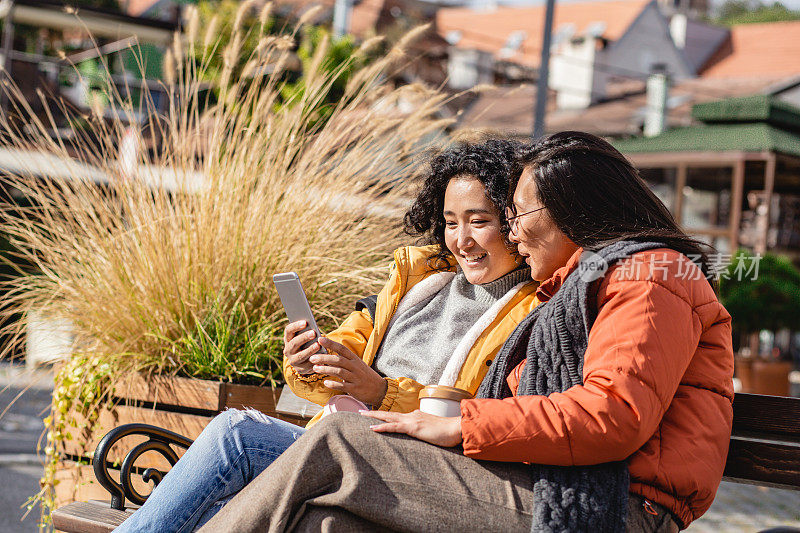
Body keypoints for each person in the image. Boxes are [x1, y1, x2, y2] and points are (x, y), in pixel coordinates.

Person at [196, 131, 735, 533]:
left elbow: (611, 416)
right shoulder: (578, 287)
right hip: (554, 483)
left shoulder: (650, 276)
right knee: (325, 524)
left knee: (343, 438)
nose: (513, 230)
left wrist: (460, 424)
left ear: (574, 210)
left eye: (520, 214)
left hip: (617, 508)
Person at [114, 139, 540, 533]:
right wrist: (307, 360)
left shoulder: (531, 310)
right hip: (334, 444)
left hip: (407, 469)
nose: (461, 240)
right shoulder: (415, 285)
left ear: (514, 222)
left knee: (237, 436)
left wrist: (382, 393)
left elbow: (477, 414)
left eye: (479, 221)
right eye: (450, 223)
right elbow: (341, 354)